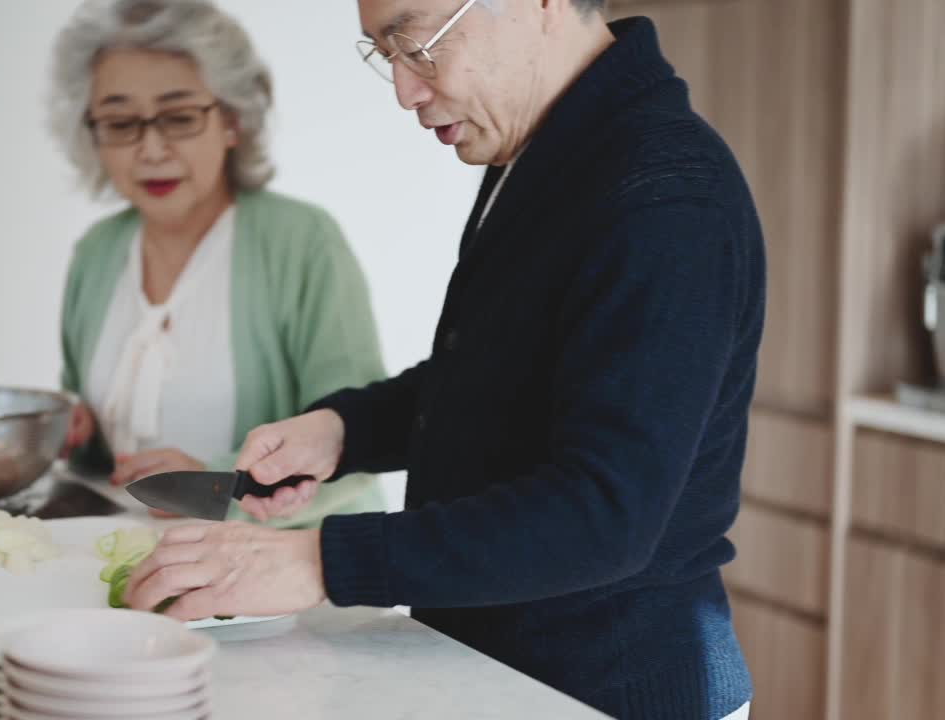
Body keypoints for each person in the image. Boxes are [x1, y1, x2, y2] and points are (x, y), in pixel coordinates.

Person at [125, 1, 765, 718]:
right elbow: (503, 373)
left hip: (607, 689)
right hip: (495, 668)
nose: (406, 90)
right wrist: (345, 430)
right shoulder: (542, 153)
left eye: (417, 42)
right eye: (384, 53)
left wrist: (318, 562)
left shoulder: (665, 197)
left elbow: (602, 515)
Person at [50, 0, 387, 526]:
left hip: (277, 569)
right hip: (124, 554)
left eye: (180, 117)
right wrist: (83, 431)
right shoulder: (97, 252)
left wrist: (215, 481)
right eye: (120, 122)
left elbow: (355, 444)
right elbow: (101, 464)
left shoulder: (302, 242)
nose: (152, 149)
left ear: (232, 119)